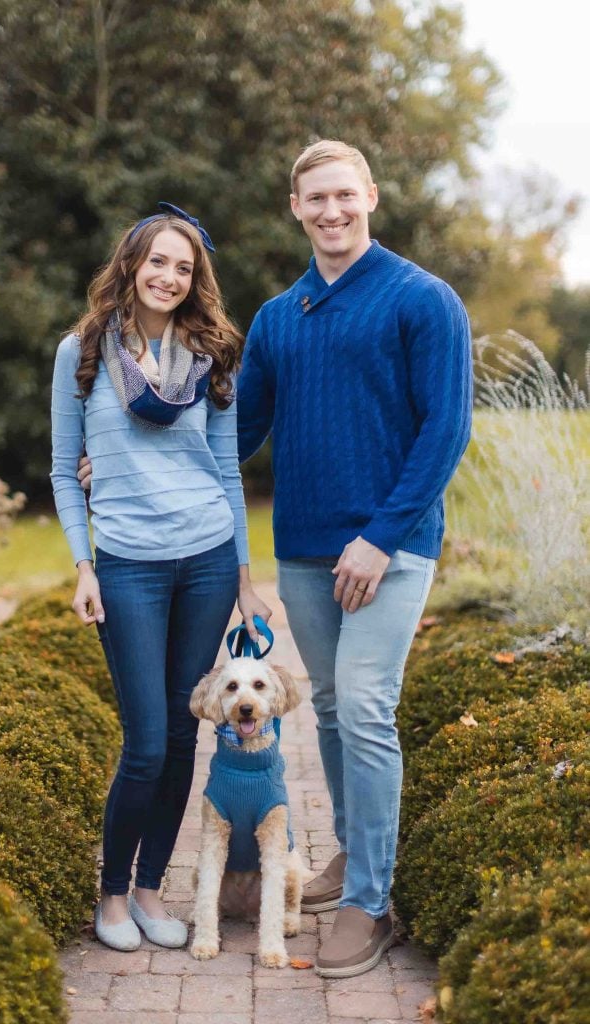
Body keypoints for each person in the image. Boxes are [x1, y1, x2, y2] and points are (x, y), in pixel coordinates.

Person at [236, 139, 472, 978]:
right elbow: (237, 432)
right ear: (294, 209)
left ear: (369, 195)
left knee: (366, 708)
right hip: (302, 549)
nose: (331, 211)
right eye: (314, 199)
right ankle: (350, 853)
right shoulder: (277, 317)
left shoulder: (422, 299)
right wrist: (123, 458)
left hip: (391, 546)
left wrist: (379, 538)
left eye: (344, 195)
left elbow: (445, 430)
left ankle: (370, 901)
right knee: (333, 708)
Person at [51, 203, 269, 952]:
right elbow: (61, 466)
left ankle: (150, 890)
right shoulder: (80, 352)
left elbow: (225, 470)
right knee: (144, 741)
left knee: (182, 734)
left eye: (184, 267)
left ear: (194, 277)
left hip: (205, 557)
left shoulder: (210, 354)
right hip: (127, 567)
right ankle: (111, 895)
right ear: (130, 265)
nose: (169, 277)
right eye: (158, 263)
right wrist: (83, 565)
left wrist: (242, 575)